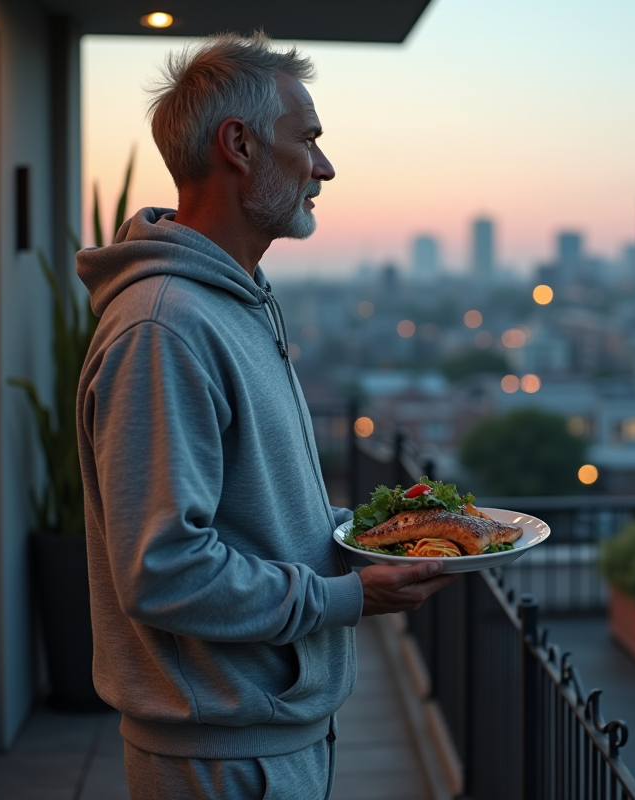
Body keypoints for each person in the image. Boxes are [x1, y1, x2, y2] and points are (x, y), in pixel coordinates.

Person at [75, 32, 455, 800]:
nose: (325, 167)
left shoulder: (236, 302)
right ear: (239, 145)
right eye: (308, 139)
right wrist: (349, 597)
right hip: (220, 758)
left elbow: (253, 518)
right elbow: (163, 572)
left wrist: (376, 536)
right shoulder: (165, 326)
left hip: (266, 738)